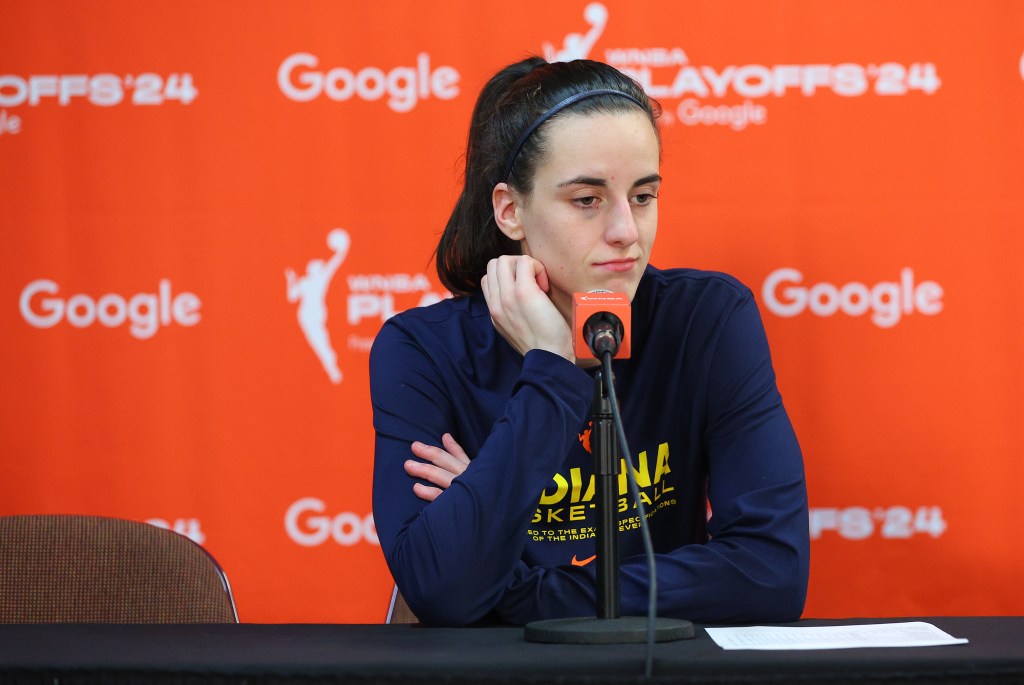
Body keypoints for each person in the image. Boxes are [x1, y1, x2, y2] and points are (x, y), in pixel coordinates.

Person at [370, 56, 809, 627]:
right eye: (587, 200)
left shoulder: (707, 320)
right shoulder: (423, 352)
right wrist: (551, 370)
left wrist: (518, 590)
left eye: (644, 196)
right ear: (510, 210)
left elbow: (769, 576)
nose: (627, 230)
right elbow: (443, 592)